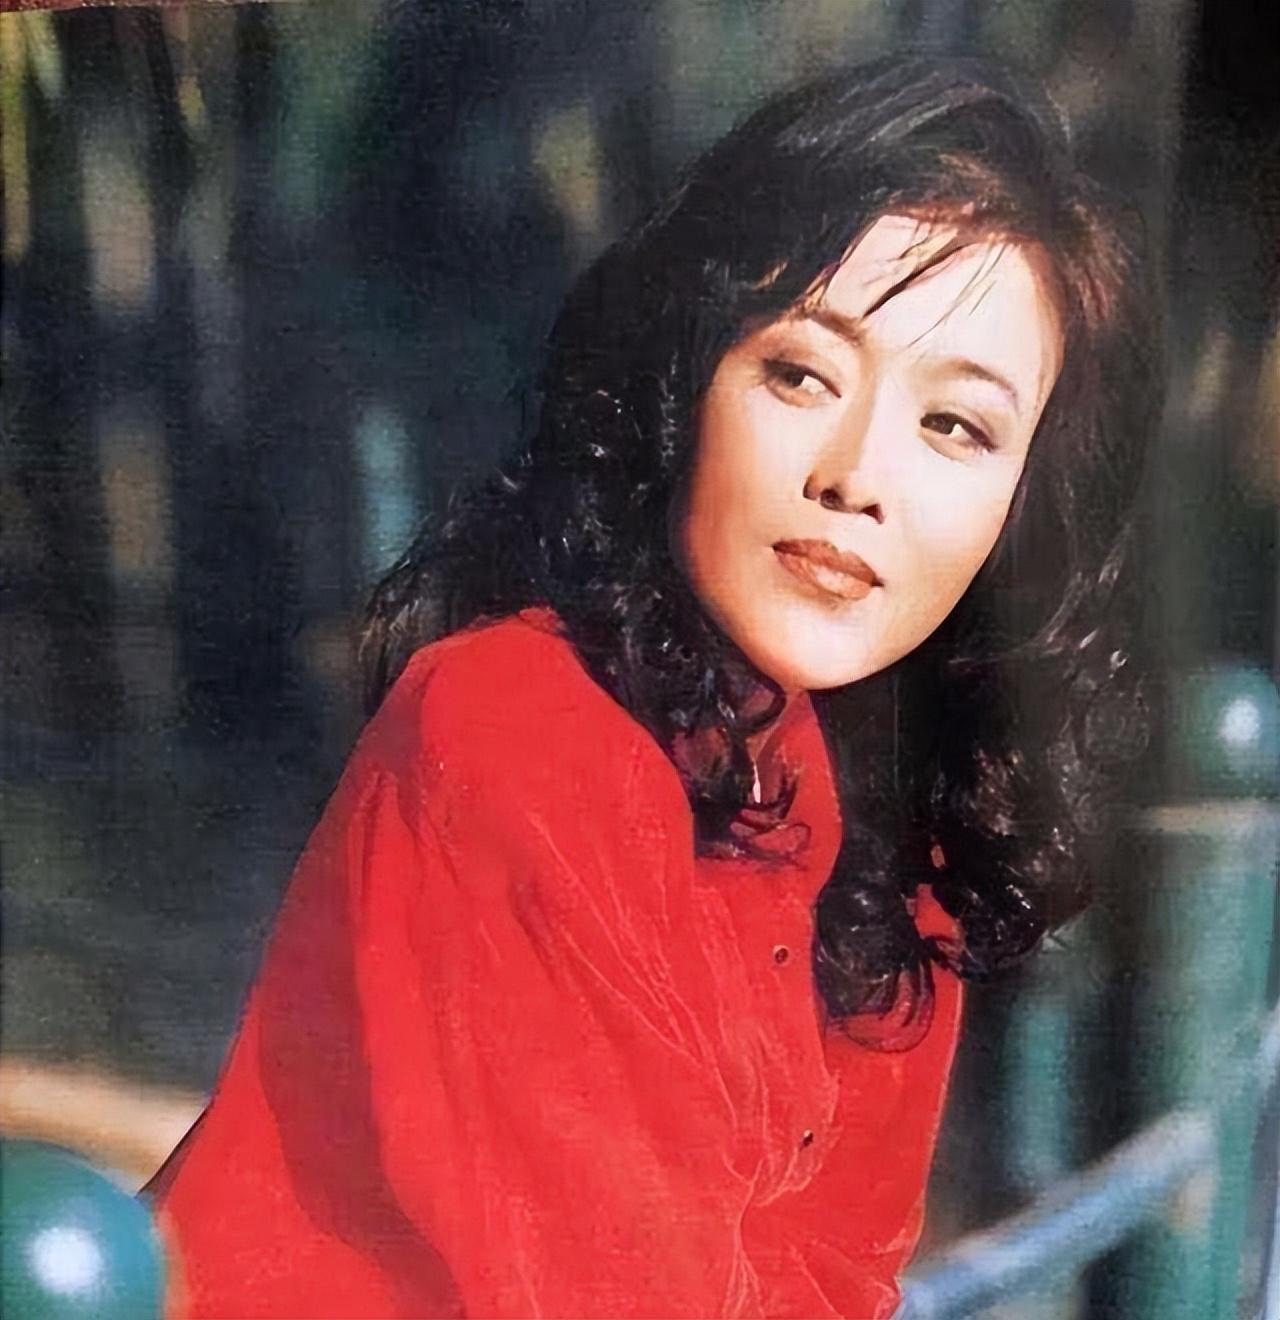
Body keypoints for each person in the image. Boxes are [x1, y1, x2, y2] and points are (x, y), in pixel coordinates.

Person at [146, 53, 1157, 1319]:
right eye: (799, 373)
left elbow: (836, 1277)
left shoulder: (888, 823)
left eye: (953, 426)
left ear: (1021, 505)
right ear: (685, 388)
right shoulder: (513, 730)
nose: (855, 476)